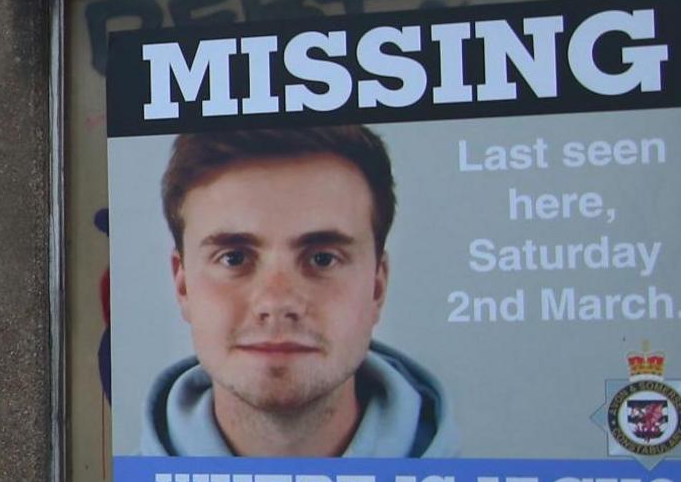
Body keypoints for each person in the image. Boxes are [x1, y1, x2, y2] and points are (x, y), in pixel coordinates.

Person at [140, 125, 459, 458]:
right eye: (234, 258)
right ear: (183, 286)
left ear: (377, 287)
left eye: (323, 259)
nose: (277, 303)